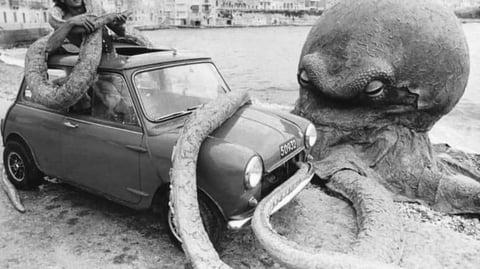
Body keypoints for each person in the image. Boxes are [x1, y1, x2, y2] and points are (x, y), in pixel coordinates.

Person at [46, 0, 130, 54]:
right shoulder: (61, 20)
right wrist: (70, 23)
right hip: (79, 63)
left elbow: (121, 32)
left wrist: (119, 23)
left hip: (109, 59)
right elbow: (49, 48)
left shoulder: (96, 10)